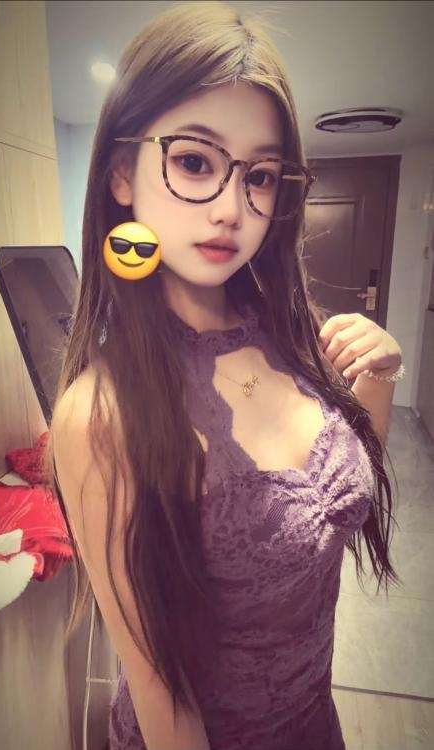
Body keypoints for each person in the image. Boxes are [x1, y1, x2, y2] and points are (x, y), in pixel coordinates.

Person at [45, 3, 404, 749]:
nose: (231, 209)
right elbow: (159, 690)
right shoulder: (101, 413)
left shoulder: (289, 335)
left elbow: (345, 503)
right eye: (194, 162)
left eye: (260, 176)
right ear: (121, 173)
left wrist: (378, 376)